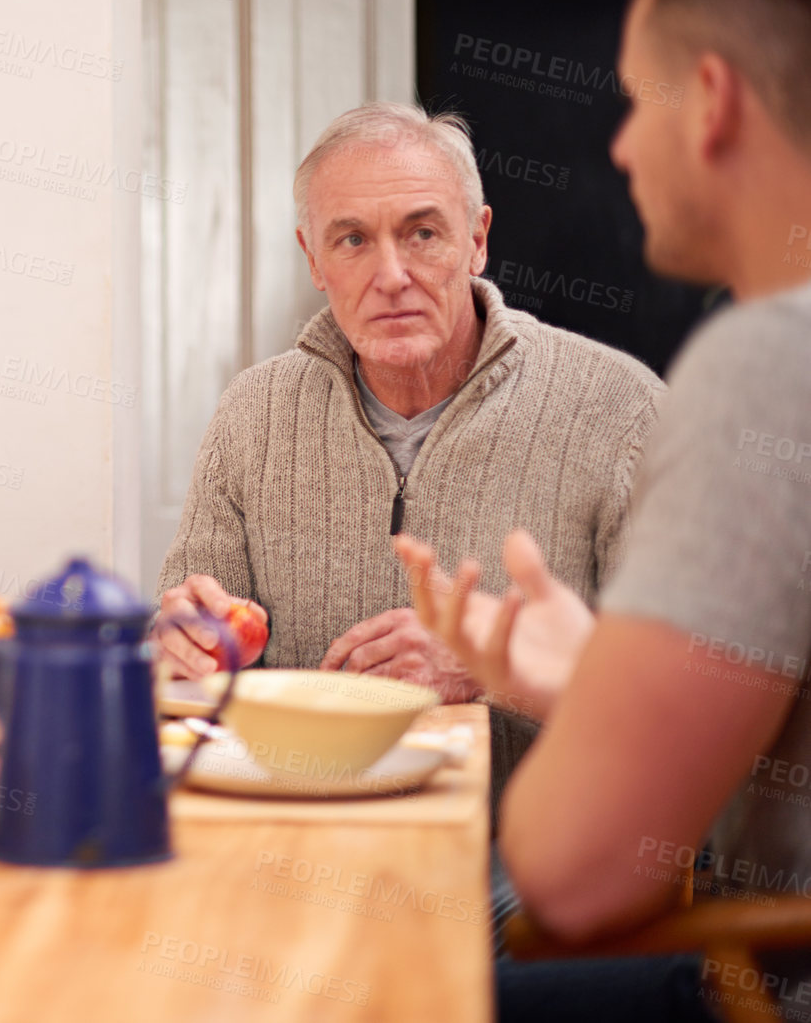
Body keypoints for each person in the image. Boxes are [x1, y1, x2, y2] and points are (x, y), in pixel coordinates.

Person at [398, 0, 811, 1019]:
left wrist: (586, 718)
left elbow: (576, 873)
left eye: (634, 105)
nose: (619, 145)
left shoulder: (769, 361)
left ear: (712, 102)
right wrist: (603, 680)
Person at [153, 102, 665, 802]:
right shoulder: (252, 415)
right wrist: (178, 649)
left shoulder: (624, 412)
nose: (390, 274)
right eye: (353, 241)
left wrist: (494, 670)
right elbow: (191, 676)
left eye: (422, 233)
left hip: (529, 849)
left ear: (478, 241)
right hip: (296, 823)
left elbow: (688, 696)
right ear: (313, 259)